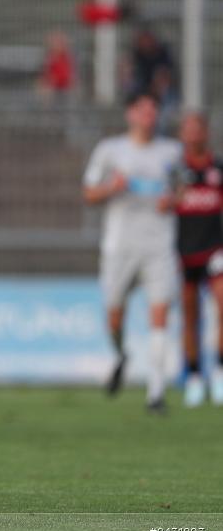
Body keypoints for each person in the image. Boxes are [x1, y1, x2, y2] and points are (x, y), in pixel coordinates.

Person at [82, 92, 181, 413]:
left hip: (159, 245)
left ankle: (155, 393)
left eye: (154, 109)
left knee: (159, 315)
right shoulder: (111, 150)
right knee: (114, 313)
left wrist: (175, 200)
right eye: (143, 110)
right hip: (119, 246)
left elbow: (183, 189)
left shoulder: (172, 152)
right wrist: (112, 187)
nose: (149, 115)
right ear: (130, 114)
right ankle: (121, 353)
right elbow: (89, 193)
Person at [174, 112, 223, 407]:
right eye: (188, 129)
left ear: (205, 133)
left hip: (216, 249)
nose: (193, 135)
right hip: (184, 252)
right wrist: (173, 196)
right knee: (190, 317)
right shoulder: (176, 169)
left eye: (197, 129)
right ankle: (193, 377)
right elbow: (164, 205)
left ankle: (219, 371)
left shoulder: (218, 167)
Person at [37, 30, 75, 102]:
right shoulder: (49, 57)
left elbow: (66, 76)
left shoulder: (66, 58)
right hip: (53, 90)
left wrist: (52, 81)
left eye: (58, 42)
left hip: (63, 89)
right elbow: (45, 74)